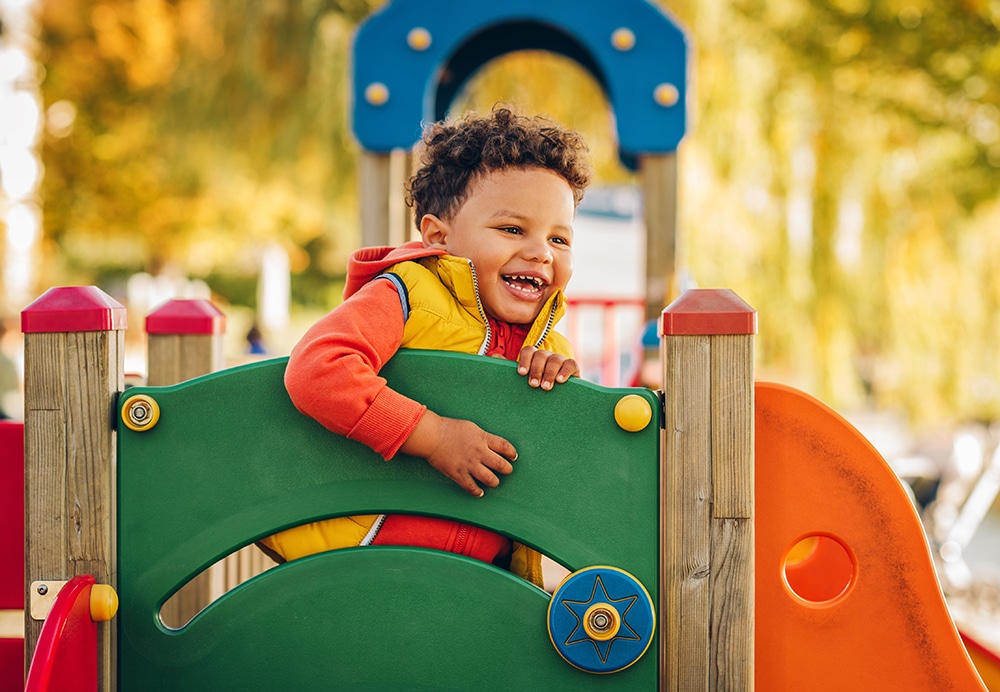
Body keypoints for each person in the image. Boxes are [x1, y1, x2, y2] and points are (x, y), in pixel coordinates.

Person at [259, 107, 592, 588]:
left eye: (559, 238)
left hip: (478, 585)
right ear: (439, 235)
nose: (542, 252)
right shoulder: (408, 293)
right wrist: (434, 436)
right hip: (360, 561)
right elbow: (319, 368)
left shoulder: (549, 344)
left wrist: (565, 398)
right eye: (513, 229)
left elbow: (564, 466)